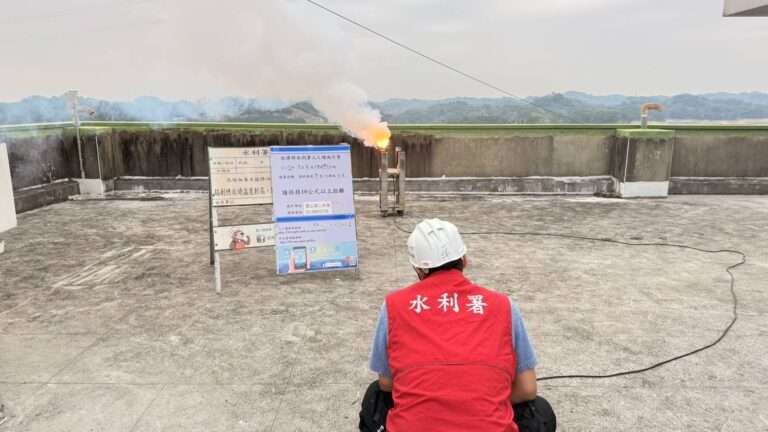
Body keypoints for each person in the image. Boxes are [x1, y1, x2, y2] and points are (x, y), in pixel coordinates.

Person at [360, 218, 556, 432]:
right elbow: (527, 389)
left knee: (375, 396)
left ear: (418, 268)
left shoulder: (393, 306)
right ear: (464, 259)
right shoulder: (503, 306)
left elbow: (387, 384)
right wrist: (485, 400)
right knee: (540, 411)